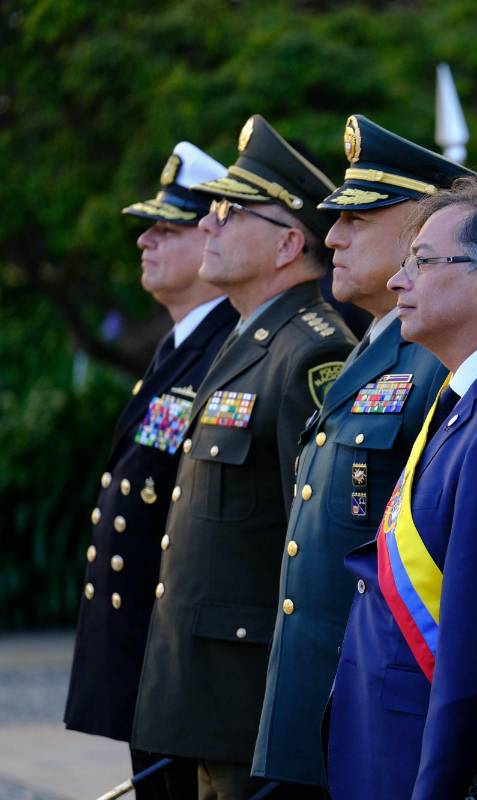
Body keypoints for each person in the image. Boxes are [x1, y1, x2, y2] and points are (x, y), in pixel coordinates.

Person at [251, 114, 477, 790]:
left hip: (373, 707)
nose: (333, 237)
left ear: (421, 230)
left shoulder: (435, 359)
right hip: (321, 701)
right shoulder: (371, 348)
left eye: (359, 218)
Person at [130, 114, 355, 799]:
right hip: (205, 697)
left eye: (229, 211)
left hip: (249, 705)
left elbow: (313, 548)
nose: (208, 224)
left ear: (290, 242)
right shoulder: (251, 336)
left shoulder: (313, 350)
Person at [325, 178, 477, 800]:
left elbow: (471, 635)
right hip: (388, 742)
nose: (399, 282)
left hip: (423, 760)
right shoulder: (468, 398)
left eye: (422, 263)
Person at [63, 142, 236, 799]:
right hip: (149, 658)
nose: (145, 240)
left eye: (168, 228)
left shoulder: (226, 350)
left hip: (182, 666)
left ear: (213, 236)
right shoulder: (182, 346)